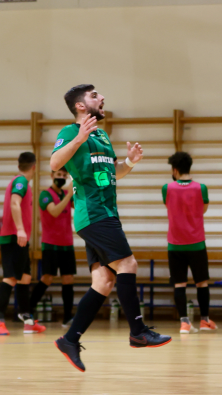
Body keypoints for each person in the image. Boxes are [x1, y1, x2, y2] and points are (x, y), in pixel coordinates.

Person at [51, 84, 171, 372]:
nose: (102, 97)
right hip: (94, 214)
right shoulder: (70, 132)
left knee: (103, 282)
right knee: (128, 264)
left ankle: (69, 339)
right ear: (80, 106)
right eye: (94, 95)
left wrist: (130, 162)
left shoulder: (102, 135)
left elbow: (112, 172)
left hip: (105, 214)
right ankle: (138, 332)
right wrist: (78, 139)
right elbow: (55, 163)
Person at [163, 151, 217, 334]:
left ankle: (184, 323)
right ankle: (204, 321)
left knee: (179, 284)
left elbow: (169, 206)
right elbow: (203, 210)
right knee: (202, 283)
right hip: (197, 243)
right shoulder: (201, 188)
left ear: (175, 169)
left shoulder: (167, 188)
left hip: (175, 244)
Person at [0, 152, 47, 335]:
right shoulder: (21, 182)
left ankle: (27, 320)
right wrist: (20, 229)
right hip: (14, 237)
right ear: (34, 167)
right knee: (11, 278)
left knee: (25, 277)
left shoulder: (18, 181)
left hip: (20, 238)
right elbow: (14, 203)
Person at [29, 167, 76, 327]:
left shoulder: (67, 195)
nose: (61, 177)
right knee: (47, 278)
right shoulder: (45, 194)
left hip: (67, 243)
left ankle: (67, 317)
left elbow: (78, 207)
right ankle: (28, 311)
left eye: (64, 175)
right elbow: (54, 211)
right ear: (52, 176)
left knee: (68, 278)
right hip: (50, 243)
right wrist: (68, 195)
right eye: (59, 174)